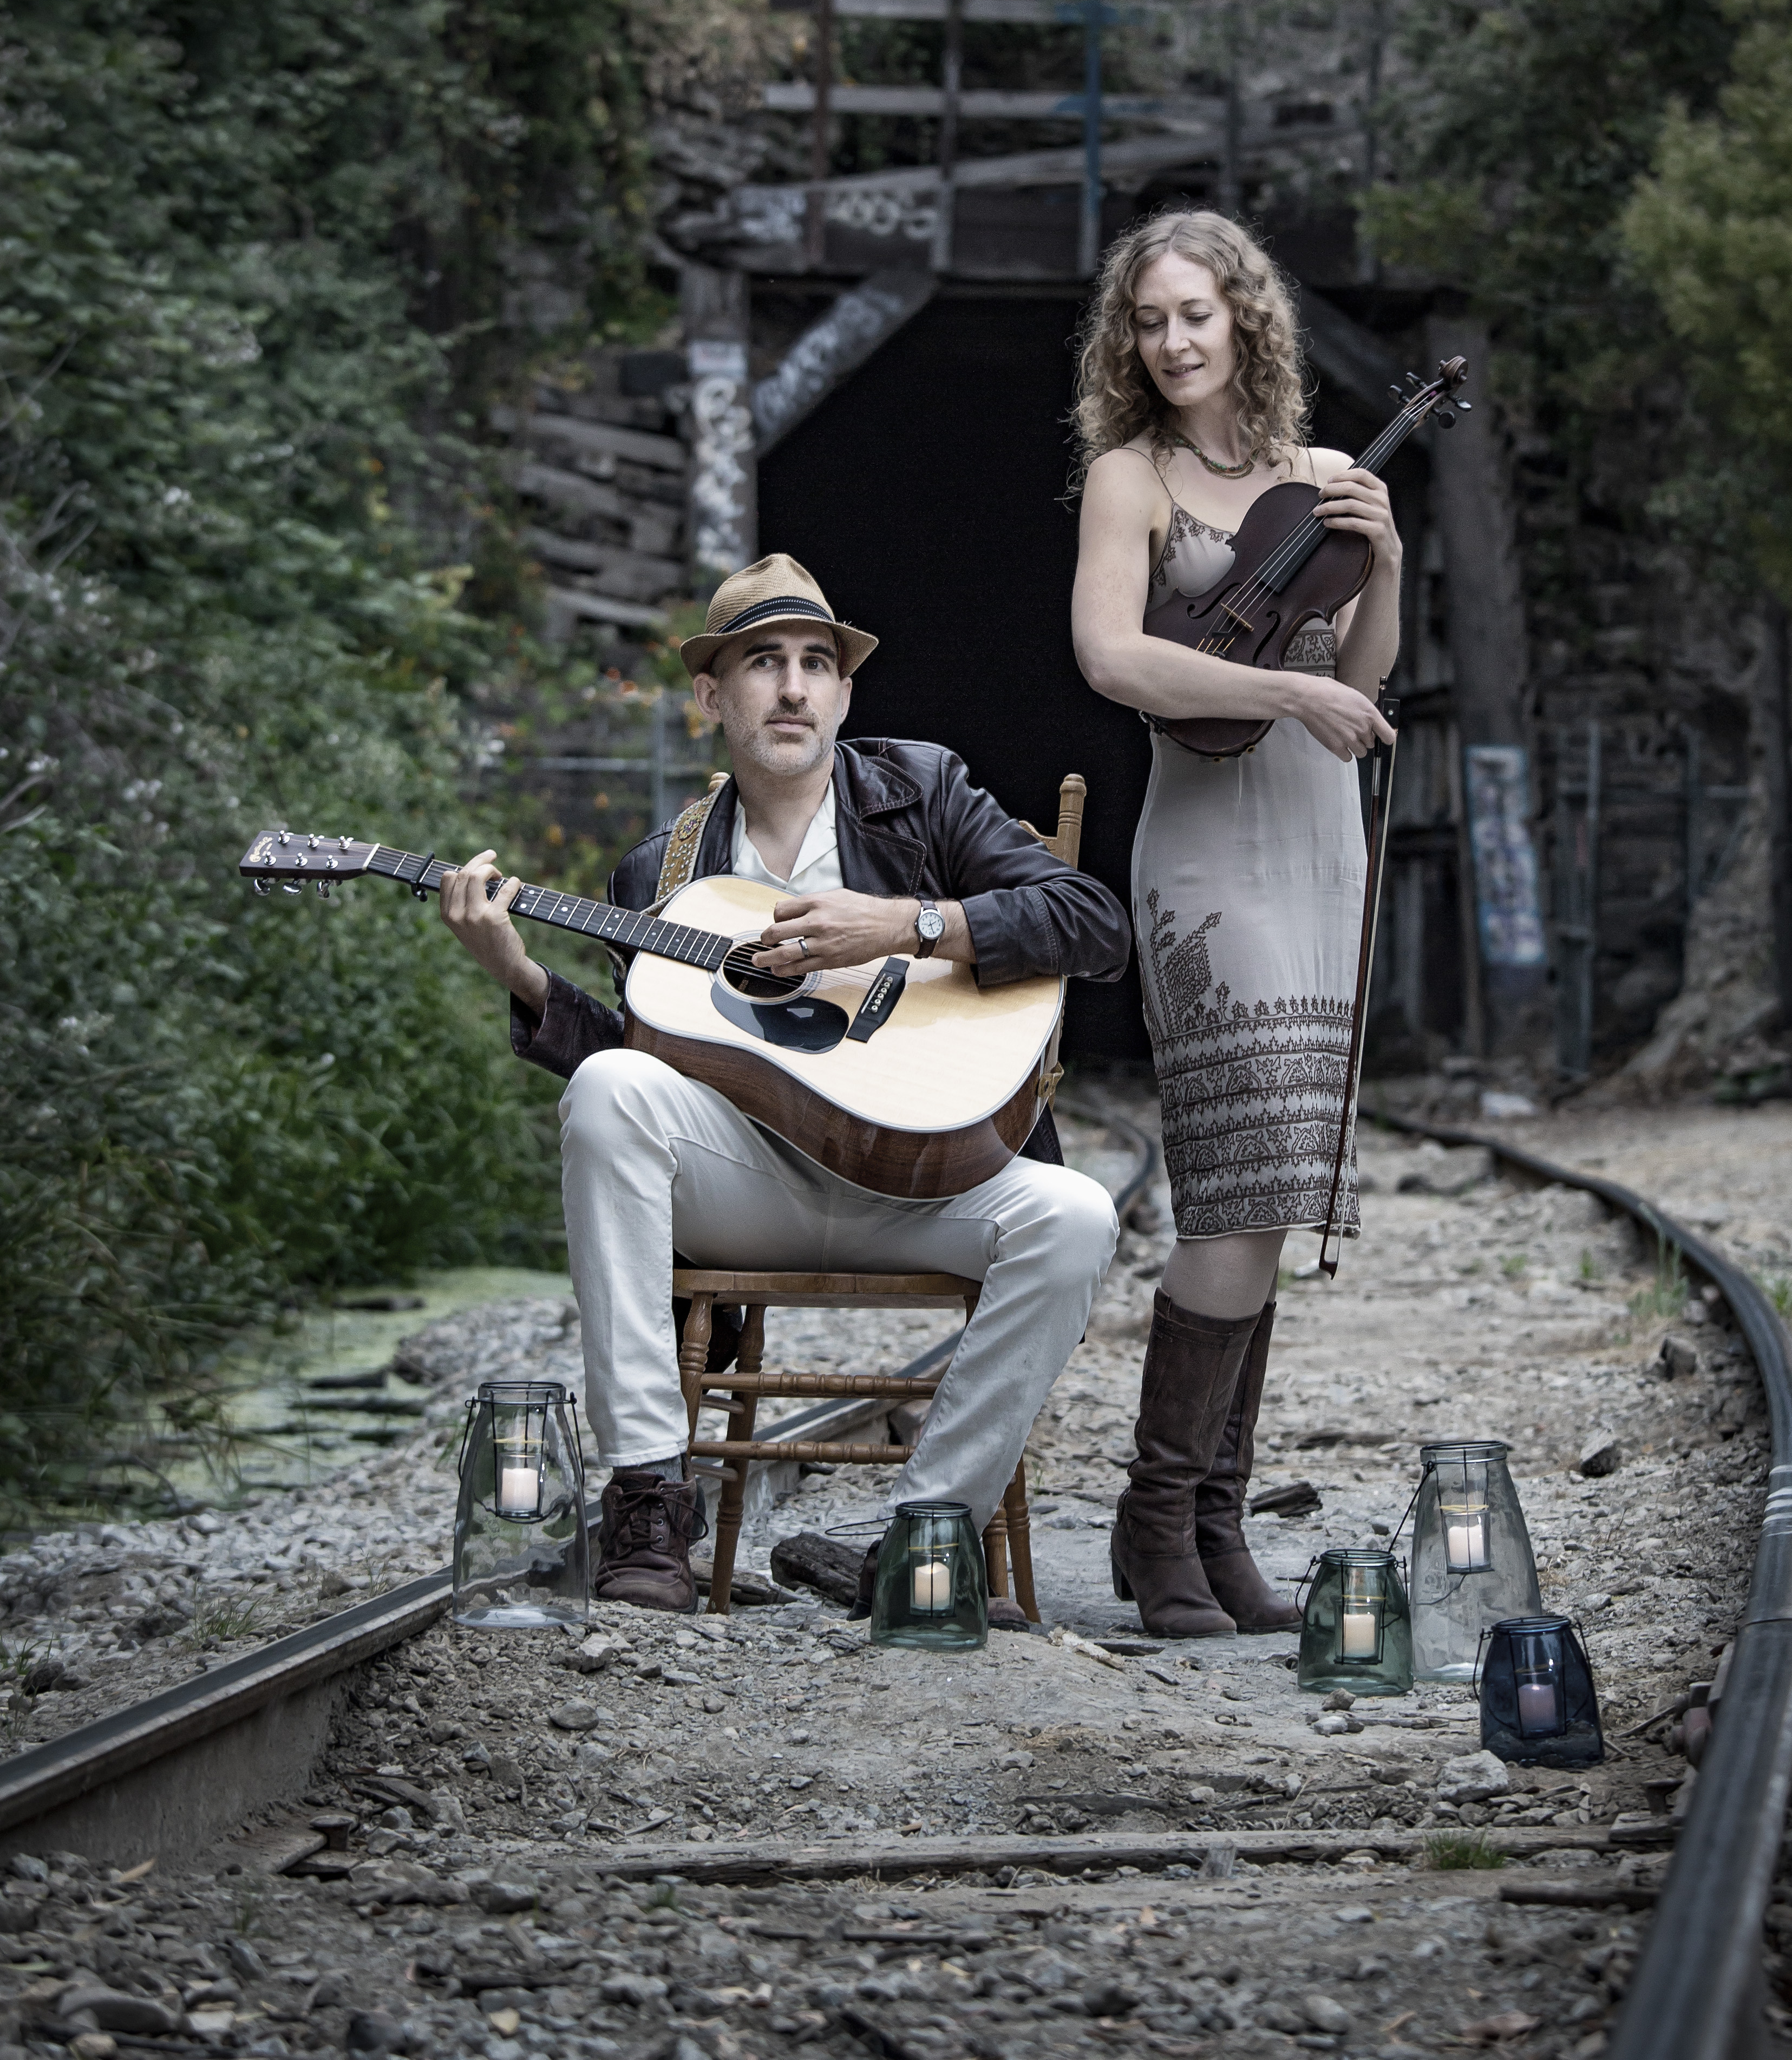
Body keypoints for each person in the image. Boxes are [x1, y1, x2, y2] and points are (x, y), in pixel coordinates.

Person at [439, 553, 1131, 1614]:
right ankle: (649, 1502)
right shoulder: (659, 874)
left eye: (818, 663)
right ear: (713, 696)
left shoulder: (923, 792)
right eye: (765, 662)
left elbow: (1094, 923)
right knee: (609, 1094)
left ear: (847, 694)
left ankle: (924, 1545)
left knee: (1077, 1213)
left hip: (926, 1178)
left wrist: (911, 924)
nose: (796, 686)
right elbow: (636, 1071)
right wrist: (518, 974)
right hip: (750, 1192)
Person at [1070, 212, 1401, 1637]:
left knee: (1268, 1196)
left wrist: (1383, 562)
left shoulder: (1322, 479)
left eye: (1197, 312)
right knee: (1235, 1176)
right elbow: (1114, 654)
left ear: (1247, 318)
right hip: (1204, 852)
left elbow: (1362, 678)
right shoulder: (1129, 478)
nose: (1175, 340)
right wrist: (1289, 694)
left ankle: (1216, 1526)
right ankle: (1156, 1529)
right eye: (1151, 319)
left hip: (1316, 842)